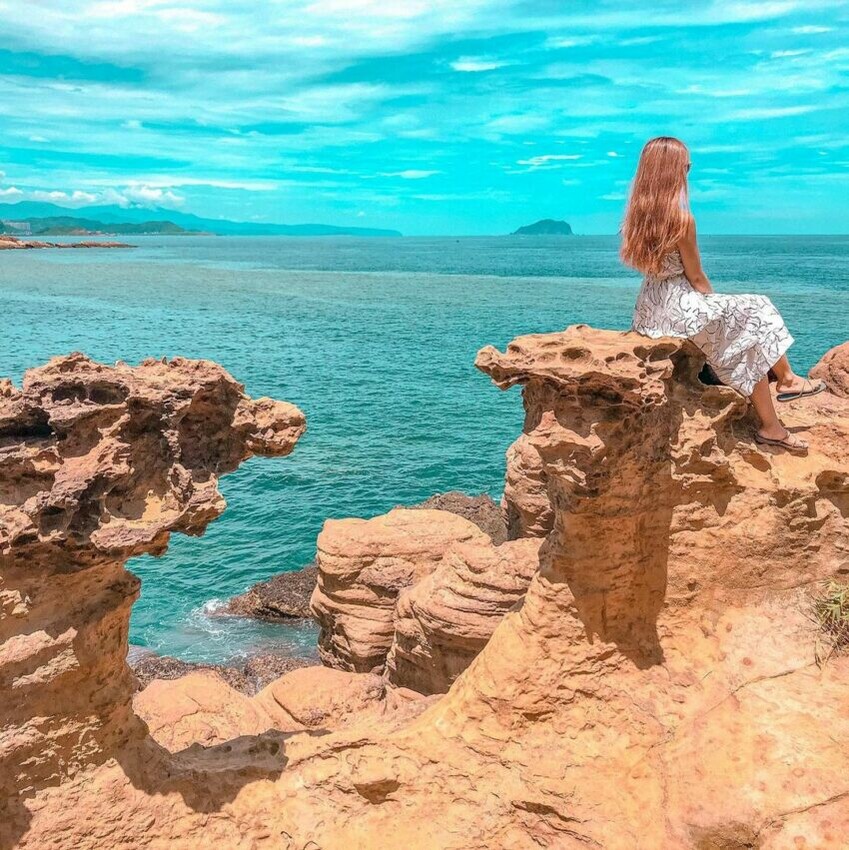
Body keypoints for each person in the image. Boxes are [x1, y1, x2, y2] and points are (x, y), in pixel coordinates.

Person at [622, 136, 825, 453]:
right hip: (680, 306)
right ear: (672, 171)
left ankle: (778, 407)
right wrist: (712, 302)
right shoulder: (681, 219)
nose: (688, 172)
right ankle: (783, 388)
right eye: (686, 166)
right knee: (756, 308)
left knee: (745, 327)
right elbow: (697, 275)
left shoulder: (637, 217)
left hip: (650, 307)